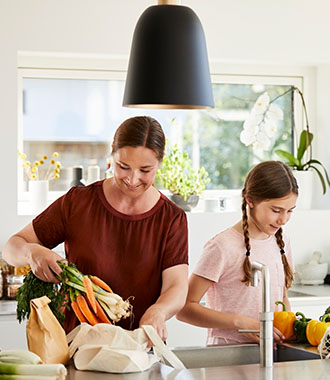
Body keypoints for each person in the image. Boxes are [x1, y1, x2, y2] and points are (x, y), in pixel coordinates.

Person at [2, 116, 189, 339]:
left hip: (138, 345)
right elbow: (11, 248)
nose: (132, 179)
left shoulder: (171, 218)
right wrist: (31, 251)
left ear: (160, 163)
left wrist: (159, 311)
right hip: (76, 344)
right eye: (123, 166)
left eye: (145, 170)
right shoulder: (78, 202)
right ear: (112, 155)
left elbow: (176, 287)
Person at [177, 161, 297, 344]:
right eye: (276, 210)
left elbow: (282, 298)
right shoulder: (222, 246)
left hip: (270, 352)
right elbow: (184, 308)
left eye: (290, 211)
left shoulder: (282, 243)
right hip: (227, 356)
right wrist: (240, 323)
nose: (283, 219)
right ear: (250, 200)